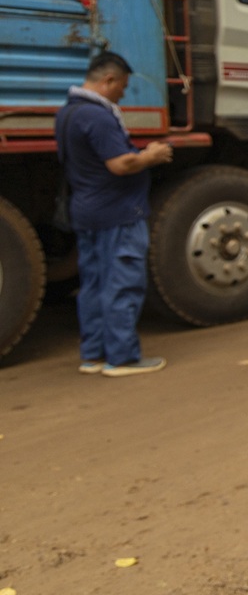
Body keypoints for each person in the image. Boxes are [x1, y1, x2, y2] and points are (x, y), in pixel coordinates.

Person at [56, 52, 174, 376]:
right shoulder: (97, 116)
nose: (123, 93)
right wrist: (151, 155)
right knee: (122, 283)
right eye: (122, 86)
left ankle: (93, 354)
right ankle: (122, 357)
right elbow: (120, 164)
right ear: (108, 80)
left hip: (87, 210)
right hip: (117, 213)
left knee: (93, 285)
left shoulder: (67, 113)